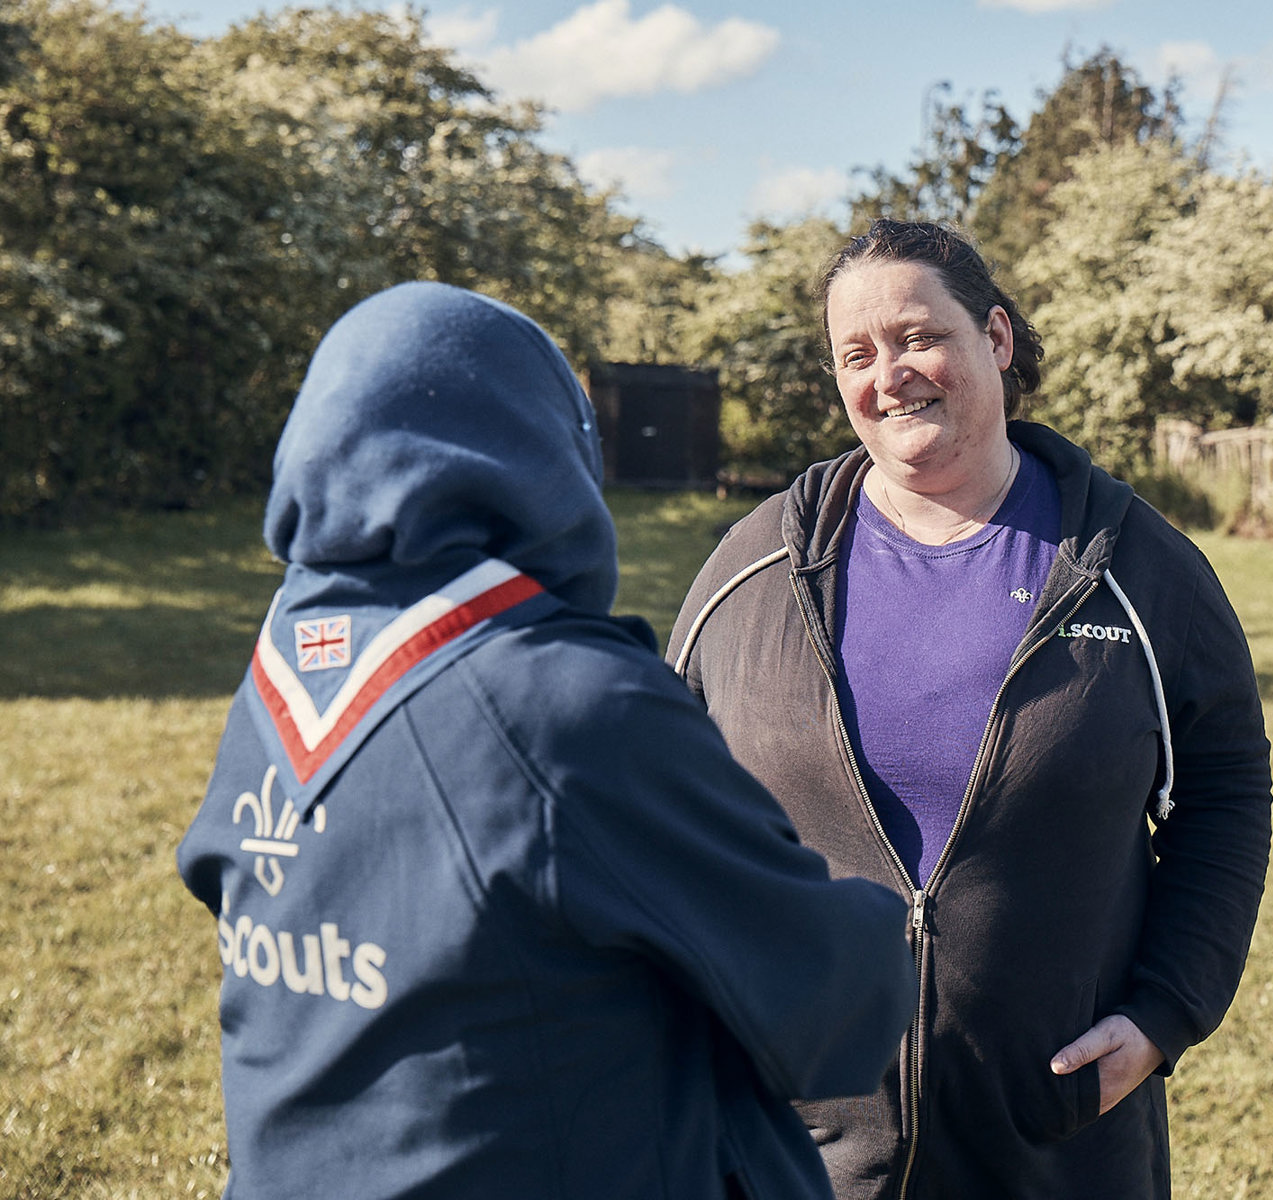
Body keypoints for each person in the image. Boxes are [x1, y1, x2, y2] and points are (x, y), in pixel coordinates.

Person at [176, 281, 915, 1200]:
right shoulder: (566, 699)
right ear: (546, 454)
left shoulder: (276, 678)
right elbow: (832, 1006)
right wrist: (901, 913)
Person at [667, 220, 1273, 1199]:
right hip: (801, 1154)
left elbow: (1227, 793)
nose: (889, 374)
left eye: (916, 337)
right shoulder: (754, 571)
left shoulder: (1137, 569)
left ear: (995, 338)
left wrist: (1168, 1010)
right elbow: (660, 809)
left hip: (1056, 1140)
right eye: (855, 355)